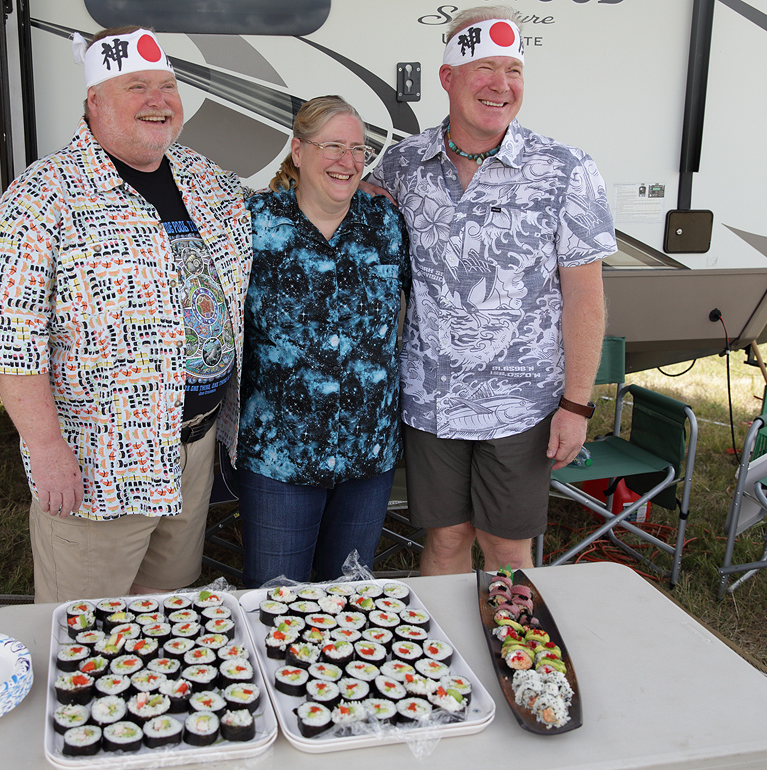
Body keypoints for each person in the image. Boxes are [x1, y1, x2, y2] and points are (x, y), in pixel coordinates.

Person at [0, 26, 251, 602]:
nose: (159, 100)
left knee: (166, 603)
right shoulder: (41, 198)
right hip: (102, 458)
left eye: (168, 86)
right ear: (94, 100)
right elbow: (5, 341)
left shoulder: (199, 176)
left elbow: (279, 211)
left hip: (192, 447)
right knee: (83, 622)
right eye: (136, 87)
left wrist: (354, 184)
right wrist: (47, 453)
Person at [366, 6, 615, 575]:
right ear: (448, 77)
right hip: (432, 400)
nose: (501, 85)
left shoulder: (565, 169)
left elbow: (585, 297)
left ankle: (517, 662)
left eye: (514, 70)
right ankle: (443, 662)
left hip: (521, 405)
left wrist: (576, 404)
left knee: (506, 549)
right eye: (483, 68)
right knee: (447, 540)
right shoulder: (403, 164)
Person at [236, 96, 409, 588]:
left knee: (350, 598)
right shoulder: (254, 223)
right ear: (297, 150)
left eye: (358, 149)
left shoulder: (385, 224)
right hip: (279, 454)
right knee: (275, 600)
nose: (348, 160)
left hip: (367, 451)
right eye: (332, 145)